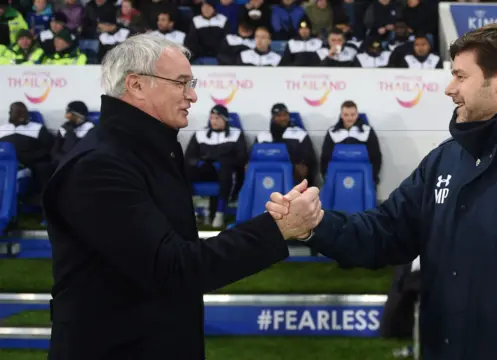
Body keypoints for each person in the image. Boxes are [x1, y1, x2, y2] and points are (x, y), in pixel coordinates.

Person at [267, 24, 497, 359]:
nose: (449, 88)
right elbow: (383, 233)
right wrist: (316, 224)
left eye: (460, 76)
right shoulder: (444, 161)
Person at [42, 34, 322, 360]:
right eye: (181, 83)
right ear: (136, 85)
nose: (192, 95)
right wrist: (277, 228)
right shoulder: (99, 166)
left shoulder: (147, 151)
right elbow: (174, 267)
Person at [184, 104, 248, 228]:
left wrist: (224, 161)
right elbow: (189, 157)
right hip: (206, 170)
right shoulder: (200, 134)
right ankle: (192, 212)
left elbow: (242, 158)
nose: (213, 121)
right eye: (212, 118)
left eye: (217, 118)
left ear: (225, 119)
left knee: (225, 168)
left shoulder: (235, 134)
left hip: (226, 171)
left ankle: (219, 214)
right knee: (186, 169)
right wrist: (200, 162)